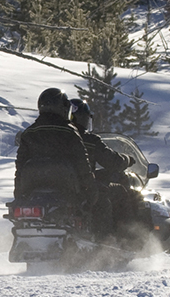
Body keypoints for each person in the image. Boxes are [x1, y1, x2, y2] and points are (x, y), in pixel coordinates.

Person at [13, 88, 101, 234]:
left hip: (32, 191)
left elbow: (20, 168)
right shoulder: (70, 132)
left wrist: (18, 194)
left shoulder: (29, 133)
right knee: (97, 206)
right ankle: (100, 245)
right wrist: (92, 191)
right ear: (63, 108)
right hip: (66, 190)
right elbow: (82, 164)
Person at [69, 98, 141, 238]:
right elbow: (112, 161)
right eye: (85, 118)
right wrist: (127, 159)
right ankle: (122, 238)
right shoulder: (87, 139)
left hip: (64, 186)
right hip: (83, 187)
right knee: (119, 192)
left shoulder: (57, 137)